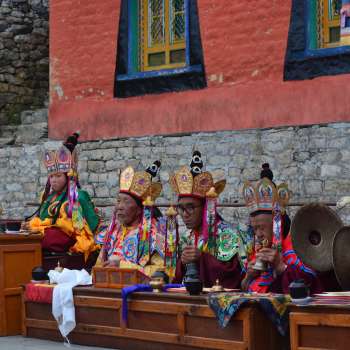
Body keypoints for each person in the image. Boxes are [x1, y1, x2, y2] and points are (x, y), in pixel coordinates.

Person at [241, 164, 323, 294]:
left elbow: (311, 287)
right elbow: (244, 289)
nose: (258, 235)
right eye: (255, 229)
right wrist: (248, 277)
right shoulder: (254, 251)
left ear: (277, 226)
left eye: (262, 228)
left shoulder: (298, 248)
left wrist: (280, 266)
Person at [172, 151, 247, 289]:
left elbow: (232, 276)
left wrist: (203, 258)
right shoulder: (186, 237)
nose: (184, 214)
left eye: (190, 207)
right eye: (181, 208)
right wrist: (182, 263)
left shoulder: (228, 234)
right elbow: (175, 280)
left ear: (206, 207)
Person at [25, 133, 100, 261]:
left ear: (68, 176)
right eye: (52, 176)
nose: (54, 180)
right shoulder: (49, 198)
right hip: (50, 235)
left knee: (38, 240)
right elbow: (42, 220)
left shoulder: (77, 196)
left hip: (70, 238)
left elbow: (89, 225)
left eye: (58, 176)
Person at [95, 161, 177, 277]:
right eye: (118, 201)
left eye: (126, 201)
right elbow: (99, 265)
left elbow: (165, 272)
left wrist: (122, 265)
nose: (119, 207)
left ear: (140, 209)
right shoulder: (112, 231)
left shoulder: (154, 234)